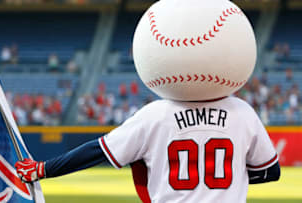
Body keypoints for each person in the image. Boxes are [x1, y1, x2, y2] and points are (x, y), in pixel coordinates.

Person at [15, 0, 280, 202]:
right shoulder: (242, 112)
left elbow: (96, 151)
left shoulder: (154, 115)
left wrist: (43, 169)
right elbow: (270, 172)